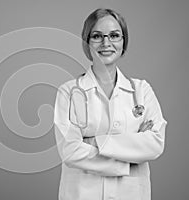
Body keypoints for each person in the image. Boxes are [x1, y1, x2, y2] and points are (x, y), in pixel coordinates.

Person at [54, 8, 167, 200]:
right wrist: (130, 150)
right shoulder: (69, 92)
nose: (106, 43)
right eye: (97, 36)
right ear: (87, 42)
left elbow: (155, 144)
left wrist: (92, 141)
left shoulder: (141, 90)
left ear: (123, 42)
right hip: (82, 193)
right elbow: (70, 151)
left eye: (114, 35)